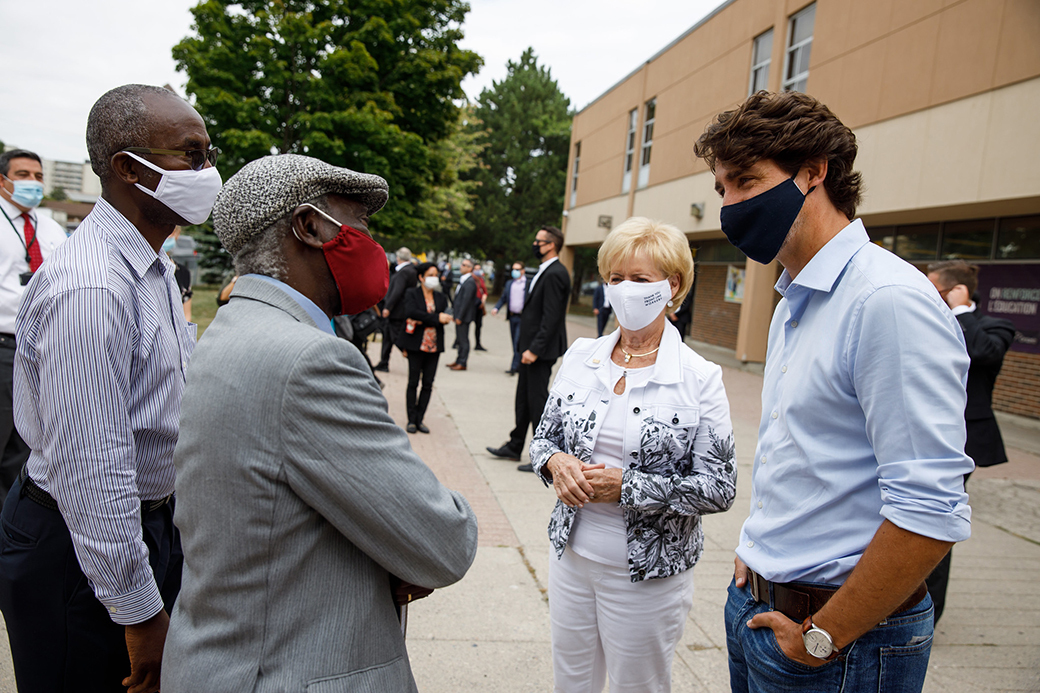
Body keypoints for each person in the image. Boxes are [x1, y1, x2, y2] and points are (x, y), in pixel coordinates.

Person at [162, 154, 478, 691]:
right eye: (361, 224)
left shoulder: (233, 329)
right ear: (309, 226)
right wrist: (415, 538)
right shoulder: (309, 360)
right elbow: (442, 542)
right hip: (291, 669)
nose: (372, 244)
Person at [694, 90, 973, 693]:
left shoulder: (886, 301)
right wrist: (760, 551)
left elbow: (930, 509)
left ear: (814, 171)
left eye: (745, 181)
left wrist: (825, 635)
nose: (732, 204)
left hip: (840, 644)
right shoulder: (794, 297)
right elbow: (803, 454)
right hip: (760, 608)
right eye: (722, 189)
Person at [0, 84, 220, 693]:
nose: (208, 170)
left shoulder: (149, 265)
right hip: (78, 548)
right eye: (191, 155)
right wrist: (138, 611)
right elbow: (93, 467)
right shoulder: (94, 289)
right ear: (128, 170)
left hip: (135, 529)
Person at [530, 217, 737, 693]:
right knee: (572, 681)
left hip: (647, 573)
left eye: (640, 280)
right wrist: (555, 463)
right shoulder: (583, 355)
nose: (624, 290)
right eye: (615, 278)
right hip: (572, 555)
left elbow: (719, 488)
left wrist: (626, 486)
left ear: (673, 286)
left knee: (636, 686)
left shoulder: (698, 376)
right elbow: (544, 440)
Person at [925, 259, 1015, 623]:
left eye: (937, 288)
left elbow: (981, 352)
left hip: (964, 440)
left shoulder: (994, 326)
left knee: (933, 520)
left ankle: (928, 610)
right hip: (922, 431)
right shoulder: (926, 317)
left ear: (957, 291)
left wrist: (961, 309)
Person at [0, 149, 66, 508]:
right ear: (3, 180)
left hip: (41, 350)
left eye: (38, 176)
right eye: (23, 175)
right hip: (4, 345)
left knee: (25, 449)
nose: (33, 183)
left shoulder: (51, 228)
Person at [487, 226, 571, 471]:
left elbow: (552, 317)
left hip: (540, 351)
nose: (534, 244)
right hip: (529, 349)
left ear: (551, 245)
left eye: (539, 241)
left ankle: (544, 458)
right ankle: (515, 445)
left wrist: (535, 348)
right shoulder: (545, 271)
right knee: (523, 398)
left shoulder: (556, 273)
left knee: (537, 401)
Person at [397, 262, 452, 433]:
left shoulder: (440, 297)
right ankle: (411, 419)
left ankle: (420, 419)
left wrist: (428, 318)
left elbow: (446, 314)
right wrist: (436, 318)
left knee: (428, 383)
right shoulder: (412, 293)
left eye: (436, 274)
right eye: (430, 274)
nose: (434, 278)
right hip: (416, 345)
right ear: (421, 277)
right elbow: (412, 313)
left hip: (434, 346)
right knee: (413, 382)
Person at [374, 247, 417, 372]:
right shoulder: (410, 270)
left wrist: (388, 307)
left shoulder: (404, 272)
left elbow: (397, 291)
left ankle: (413, 361)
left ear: (398, 258)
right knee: (387, 337)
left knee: (396, 338)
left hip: (397, 310)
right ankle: (384, 362)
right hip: (399, 309)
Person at [492, 261, 527, 374]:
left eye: (517, 269)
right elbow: (503, 298)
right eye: (513, 269)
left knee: (518, 341)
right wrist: (496, 308)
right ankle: (517, 364)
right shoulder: (509, 283)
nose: (514, 272)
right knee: (514, 342)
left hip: (523, 318)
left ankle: (515, 367)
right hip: (512, 317)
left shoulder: (527, 284)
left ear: (523, 271)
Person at [447, 258, 477, 371]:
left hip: (464, 316)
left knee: (463, 339)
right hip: (459, 315)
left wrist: (460, 316)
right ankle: (458, 359)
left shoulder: (470, 282)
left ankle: (463, 362)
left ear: (470, 268)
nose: (461, 266)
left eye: (464, 265)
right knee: (459, 338)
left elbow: (466, 301)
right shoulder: (464, 280)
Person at [163, 227, 193, 322]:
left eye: (171, 231)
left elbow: (186, 316)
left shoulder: (183, 272)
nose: (166, 235)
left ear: (177, 234)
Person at [473, 262, 488, 351]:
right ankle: (458, 341)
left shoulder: (481, 280)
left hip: (479, 305)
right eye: (476, 269)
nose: (477, 271)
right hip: (471, 305)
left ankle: (477, 343)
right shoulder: (471, 280)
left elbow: (485, 291)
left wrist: (483, 300)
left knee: (478, 325)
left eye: (479, 269)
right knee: (465, 323)